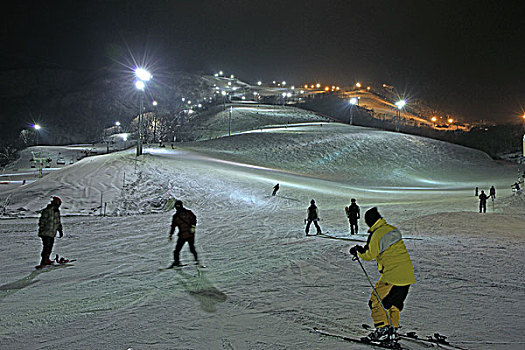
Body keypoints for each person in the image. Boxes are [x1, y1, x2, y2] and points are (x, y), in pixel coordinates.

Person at [349, 207, 415, 343]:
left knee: (375, 301)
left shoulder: (377, 234)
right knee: (392, 303)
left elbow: (369, 254)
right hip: (407, 274)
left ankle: (382, 330)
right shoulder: (391, 229)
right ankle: (392, 329)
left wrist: (358, 251)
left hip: (393, 275)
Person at [168, 200, 199, 267]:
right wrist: (193, 226)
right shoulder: (188, 213)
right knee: (192, 248)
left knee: (177, 250)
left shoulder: (176, 216)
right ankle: (196, 260)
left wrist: (171, 234)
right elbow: (194, 219)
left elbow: (173, 226)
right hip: (190, 234)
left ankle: (176, 262)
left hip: (183, 236)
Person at [37, 196, 64, 268]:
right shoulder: (47, 210)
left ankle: (47, 259)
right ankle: (43, 261)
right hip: (46, 232)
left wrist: (60, 230)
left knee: (50, 246)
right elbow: (42, 221)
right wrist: (42, 229)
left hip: (52, 232)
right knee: (46, 246)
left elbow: (58, 222)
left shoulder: (57, 211)